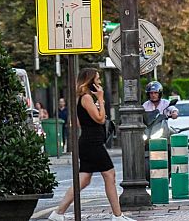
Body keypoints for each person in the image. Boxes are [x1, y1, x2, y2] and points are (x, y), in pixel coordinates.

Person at [48, 69, 135, 221]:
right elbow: (101, 120)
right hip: (92, 143)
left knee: (84, 179)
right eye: (98, 79)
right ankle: (117, 215)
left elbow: (82, 121)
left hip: (89, 142)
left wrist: (97, 110)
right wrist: (100, 99)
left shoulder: (82, 98)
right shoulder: (87, 97)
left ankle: (58, 213)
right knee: (109, 175)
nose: (100, 82)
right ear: (90, 81)